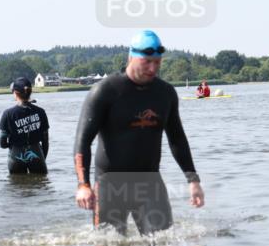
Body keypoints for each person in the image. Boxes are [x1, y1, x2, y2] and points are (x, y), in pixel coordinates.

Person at [74, 30, 205, 235]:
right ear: (131, 57)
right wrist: (83, 185)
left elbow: (177, 138)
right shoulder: (105, 91)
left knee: (162, 243)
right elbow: (82, 141)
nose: (153, 69)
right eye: (147, 62)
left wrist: (193, 179)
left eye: (157, 63)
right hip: (110, 185)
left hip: (149, 183)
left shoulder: (165, 93)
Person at [0, 77, 49, 174]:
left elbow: (2, 143)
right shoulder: (40, 112)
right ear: (30, 92)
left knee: (16, 183)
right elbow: (45, 141)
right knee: (40, 182)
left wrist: (12, 145)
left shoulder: (8, 114)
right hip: (36, 154)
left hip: (15, 156)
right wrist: (42, 158)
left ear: (15, 93)